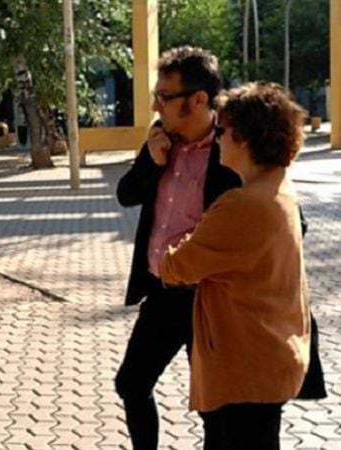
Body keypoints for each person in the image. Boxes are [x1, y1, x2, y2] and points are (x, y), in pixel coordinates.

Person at [159, 82, 311, 449]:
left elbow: (175, 266)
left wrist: (181, 241)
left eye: (223, 131)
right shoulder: (278, 192)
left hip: (246, 367)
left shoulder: (241, 205)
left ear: (243, 138)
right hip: (267, 357)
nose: (217, 139)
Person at [114, 47, 241, 450]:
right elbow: (125, 194)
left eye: (165, 97)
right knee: (132, 384)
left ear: (199, 99)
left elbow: (278, 216)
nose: (156, 104)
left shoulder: (235, 145)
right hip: (164, 292)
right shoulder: (160, 137)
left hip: (211, 300)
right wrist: (152, 161)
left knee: (214, 408)